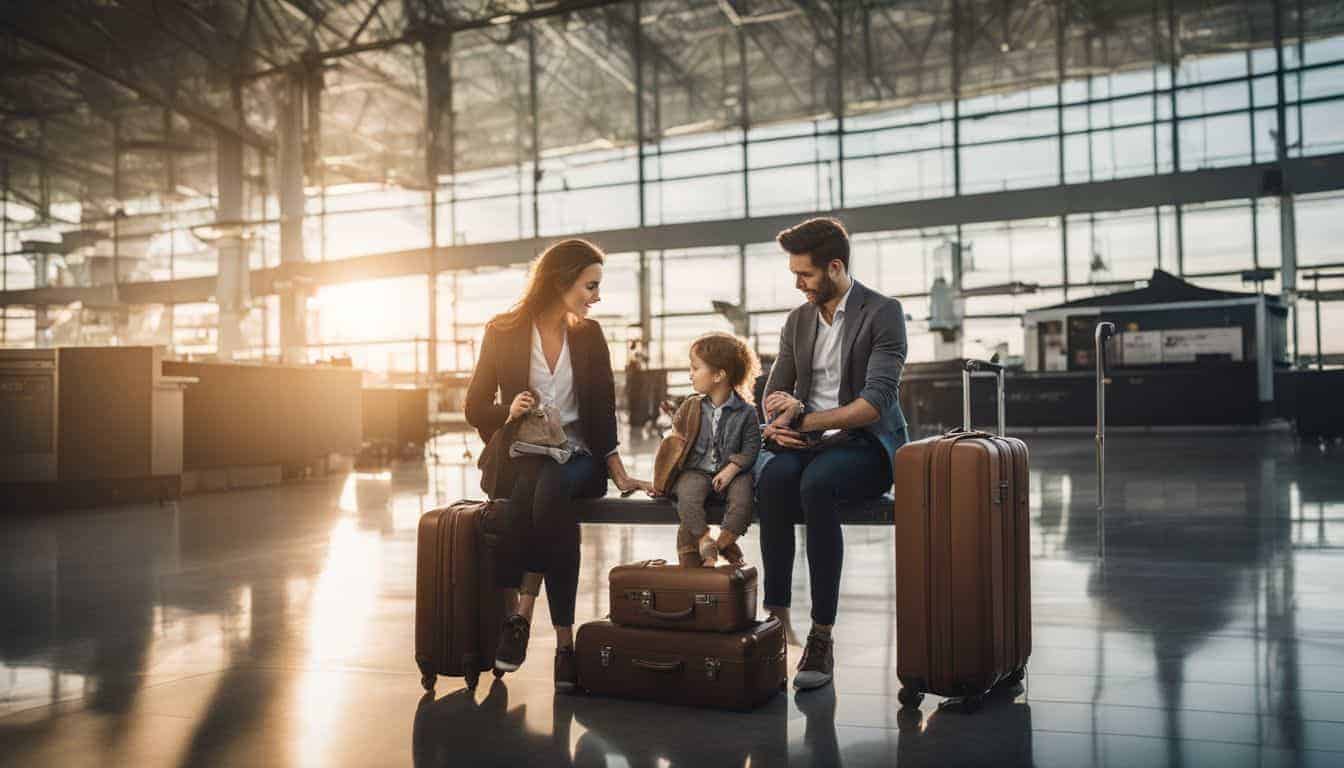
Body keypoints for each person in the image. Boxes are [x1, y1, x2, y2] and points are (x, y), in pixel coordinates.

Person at [464, 238, 654, 693]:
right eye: (590, 286)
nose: (597, 296)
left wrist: (617, 470)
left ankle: (521, 618)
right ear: (562, 280)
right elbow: (474, 407)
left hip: (580, 460)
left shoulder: (589, 336)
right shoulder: (503, 330)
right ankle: (565, 648)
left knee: (549, 483)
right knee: (550, 499)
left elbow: (604, 410)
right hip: (526, 458)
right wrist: (508, 411)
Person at [755, 217, 909, 692]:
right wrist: (777, 424)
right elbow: (774, 389)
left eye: (804, 274)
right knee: (774, 480)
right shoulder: (797, 319)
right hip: (806, 441)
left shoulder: (883, 312)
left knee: (816, 485)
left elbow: (872, 405)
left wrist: (805, 421)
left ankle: (822, 635)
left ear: (835, 267)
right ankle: (776, 617)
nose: (797, 283)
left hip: (865, 446)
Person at [656, 332, 762, 568]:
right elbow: (675, 436)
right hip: (697, 469)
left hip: (733, 472)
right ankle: (704, 538)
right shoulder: (691, 405)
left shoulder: (746, 412)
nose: (690, 374)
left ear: (718, 375)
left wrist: (733, 468)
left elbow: (753, 445)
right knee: (687, 496)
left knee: (743, 499)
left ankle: (724, 542)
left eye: (695, 368)